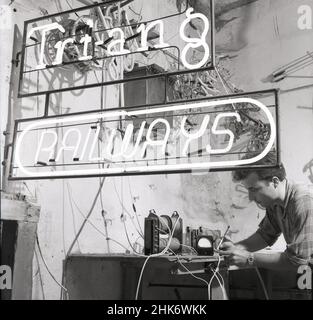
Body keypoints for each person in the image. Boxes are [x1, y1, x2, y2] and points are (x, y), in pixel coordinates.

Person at [218, 153, 313, 271]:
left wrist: (249, 259)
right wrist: (236, 248)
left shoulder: (303, 201)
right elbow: (265, 236)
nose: (251, 197)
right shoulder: (275, 204)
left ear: (275, 182)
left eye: (254, 189)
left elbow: (297, 260)